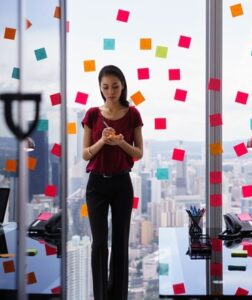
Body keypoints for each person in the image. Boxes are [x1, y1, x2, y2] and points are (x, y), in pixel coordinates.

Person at [81, 65, 143, 300]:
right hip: (96, 185)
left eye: (115, 86)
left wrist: (120, 143)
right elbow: (86, 154)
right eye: (105, 87)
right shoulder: (92, 114)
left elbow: (138, 153)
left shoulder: (133, 114)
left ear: (123, 85)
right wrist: (103, 142)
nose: (110, 91)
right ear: (100, 88)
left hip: (121, 184)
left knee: (120, 242)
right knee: (99, 245)